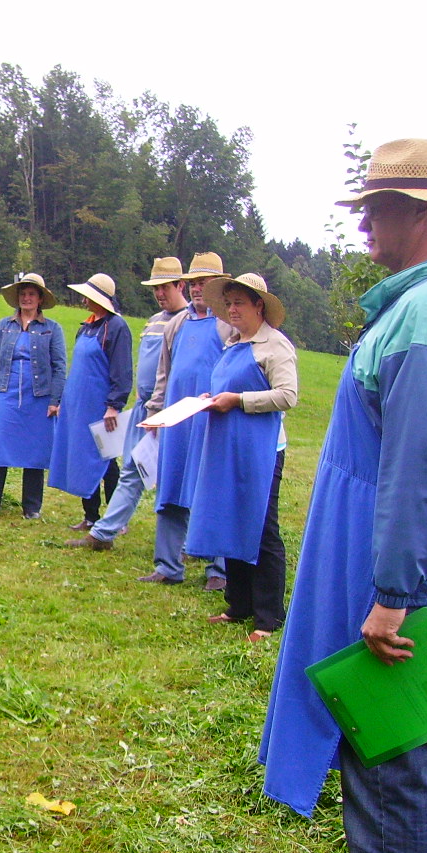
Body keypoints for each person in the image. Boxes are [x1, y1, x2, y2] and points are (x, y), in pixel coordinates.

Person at [259, 139, 427, 853]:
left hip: (406, 574)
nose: (363, 223)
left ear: (422, 213)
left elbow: (420, 468)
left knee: (390, 775)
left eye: (375, 208)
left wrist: (392, 594)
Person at [185, 274, 298, 642]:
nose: (232, 309)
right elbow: (226, 386)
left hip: (261, 450)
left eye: (239, 303)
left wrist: (240, 401)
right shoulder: (234, 343)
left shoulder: (274, 345)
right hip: (228, 446)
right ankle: (239, 604)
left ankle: (268, 618)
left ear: (258, 306)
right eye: (228, 303)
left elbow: (287, 396)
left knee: (262, 527)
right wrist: (212, 398)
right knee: (232, 517)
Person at [75, 257, 188, 551]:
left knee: (177, 478)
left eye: (165, 288)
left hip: (172, 410)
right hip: (144, 407)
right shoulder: (153, 321)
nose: (160, 294)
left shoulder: (189, 321)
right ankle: (103, 534)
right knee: (133, 470)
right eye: (156, 289)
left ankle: (189, 544)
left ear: (181, 286)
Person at [141, 252, 231, 588]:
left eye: (204, 283)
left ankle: (218, 569)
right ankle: (167, 565)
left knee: (210, 489)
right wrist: (155, 412)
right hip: (176, 422)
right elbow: (164, 372)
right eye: (193, 282)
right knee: (170, 488)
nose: (197, 289)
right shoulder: (177, 324)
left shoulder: (227, 325)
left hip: (210, 421)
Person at [0, 273, 67, 519]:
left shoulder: (52, 329)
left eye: (31, 294)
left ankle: (31, 506)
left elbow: (59, 367)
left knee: (35, 450)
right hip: (5, 393)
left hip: (38, 396)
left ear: (40, 299)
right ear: (18, 298)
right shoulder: (4, 326)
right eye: (23, 294)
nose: (27, 298)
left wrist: (55, 400)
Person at [49, 274, 132, 527]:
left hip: (100, 405)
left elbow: (122, 370)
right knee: (83, 457)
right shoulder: (86, 327)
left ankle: (117, 518)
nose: (84, 300)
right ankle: (90, 516)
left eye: (89, 296)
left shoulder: (117, 327)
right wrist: (65, 400)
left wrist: (113, 405)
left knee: (105, 460)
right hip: (78, 405)